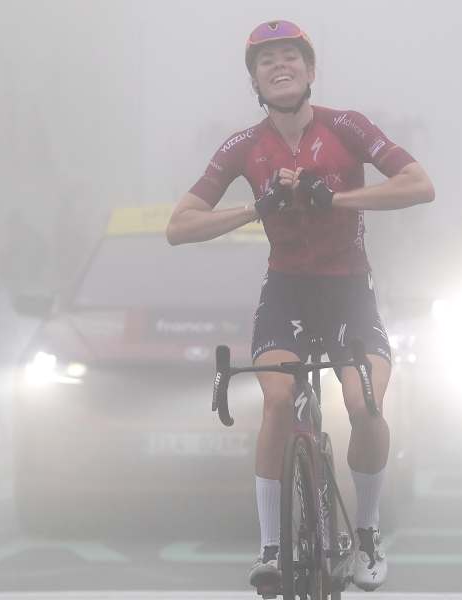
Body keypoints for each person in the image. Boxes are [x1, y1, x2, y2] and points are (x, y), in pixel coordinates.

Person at [165, 19, 434, 591]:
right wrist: (252, 209)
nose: (279, 66)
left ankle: (366, 533)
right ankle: (269, 549)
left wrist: (330, 197)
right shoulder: (242, 146)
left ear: (310, 71)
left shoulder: (347, 127)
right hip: (286, 291)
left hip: (348, 292)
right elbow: (178, 226)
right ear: (255, 83)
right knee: (278, 399)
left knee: (365, 406)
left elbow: (418, 185)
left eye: (290, 57)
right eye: (266, 62)